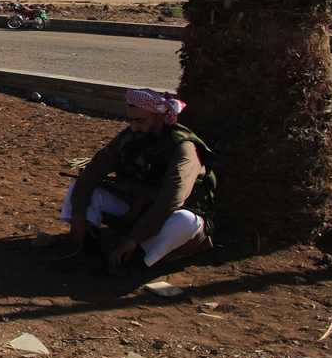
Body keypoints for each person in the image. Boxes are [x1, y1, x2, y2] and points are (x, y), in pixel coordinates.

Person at [51, 89, 216, 275]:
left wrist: (134, 238)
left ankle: (133, 260)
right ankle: (90, 254)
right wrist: (79, 215)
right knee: (82, 189)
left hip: (172, 217)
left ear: (159, 119)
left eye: (140, 121)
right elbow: (92, 173)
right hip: (138, 210)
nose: (134, 126)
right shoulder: (129, 138)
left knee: (184, 221)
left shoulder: (184, 148)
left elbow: (171, 199)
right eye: (130, 120)